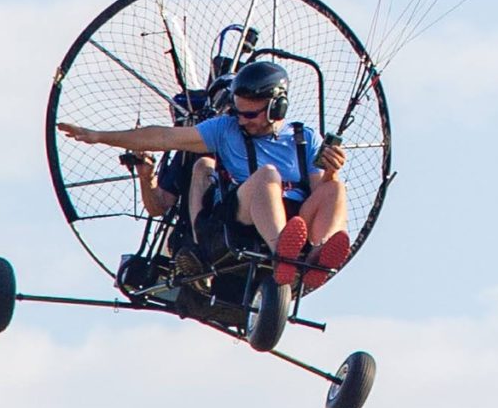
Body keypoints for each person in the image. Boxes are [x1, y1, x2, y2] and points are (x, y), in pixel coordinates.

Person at [61, 55, 348, 288]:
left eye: (250, 114)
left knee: (335, 188)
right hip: (244, 213)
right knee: (267, 175)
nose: (242, 120)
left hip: (296, 219)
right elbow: (163, 137)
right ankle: (282, 256)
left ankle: (316, 258)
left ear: (277, 108)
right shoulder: (225, 129)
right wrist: (99, 136)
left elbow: (319, 189)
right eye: (238, 112)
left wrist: (332, 171)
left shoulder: (304, 138)